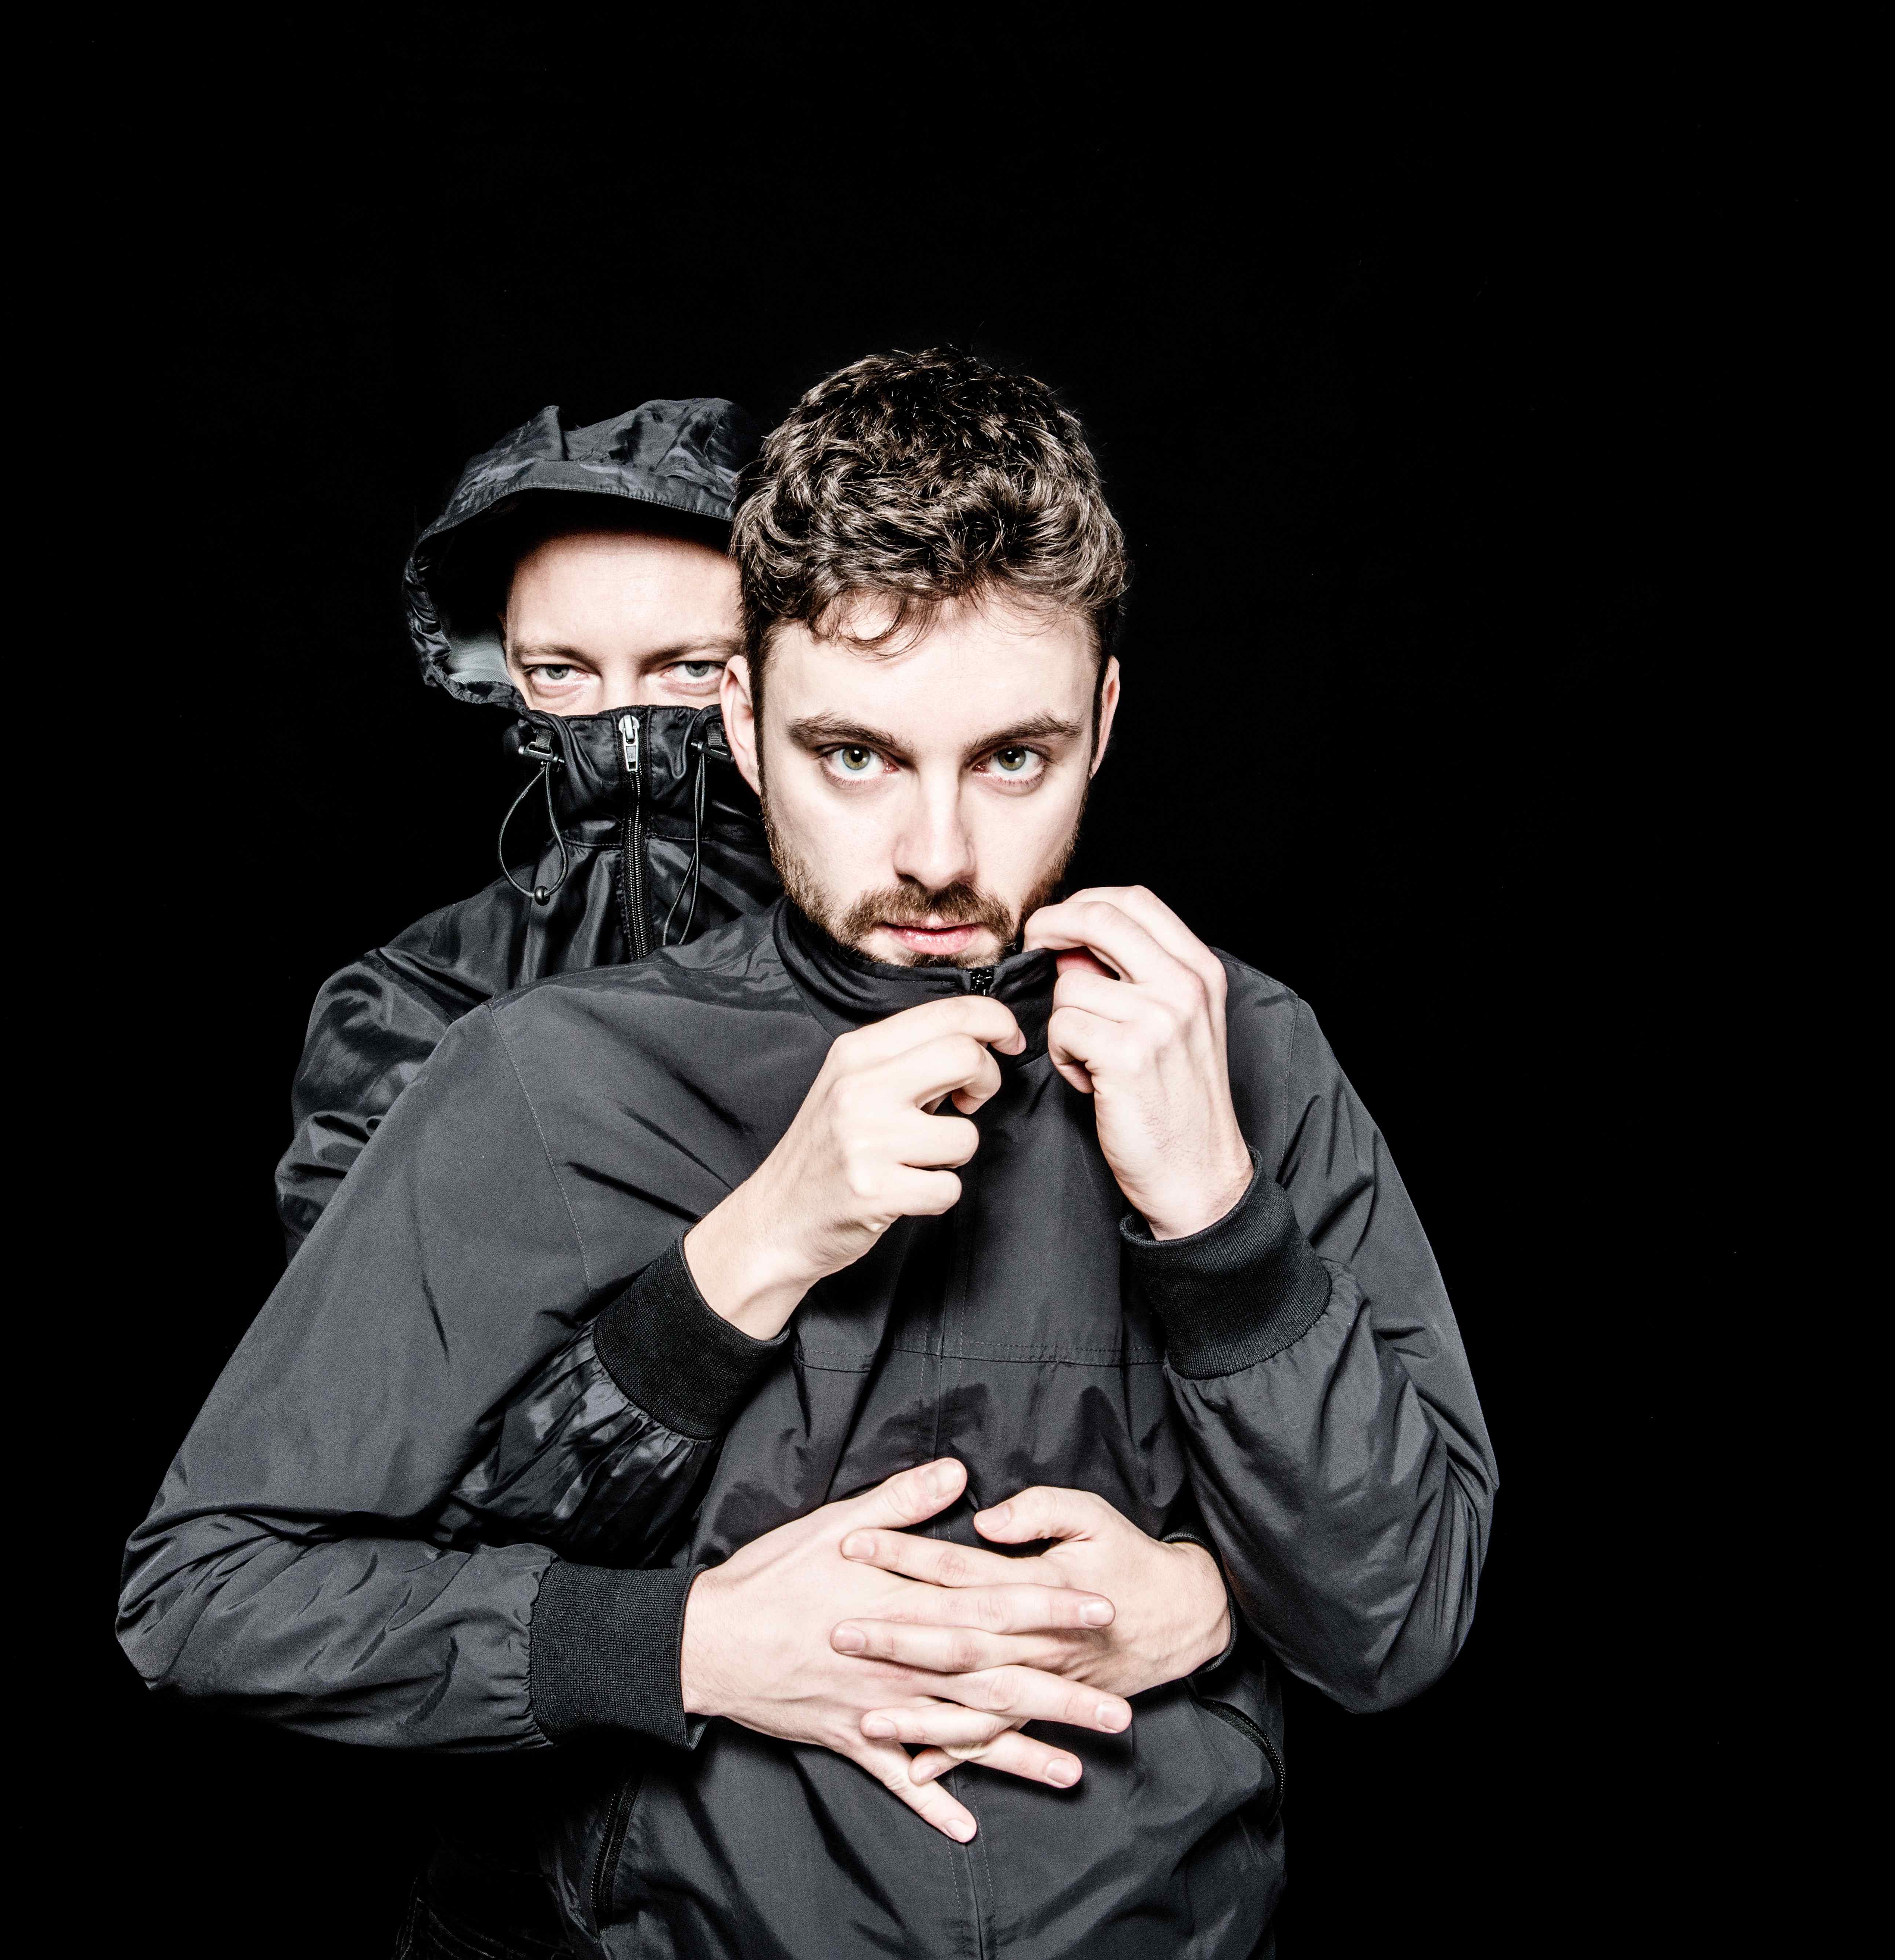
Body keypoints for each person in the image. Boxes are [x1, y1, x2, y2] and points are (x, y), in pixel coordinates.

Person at [121, 349, 1496, 1958]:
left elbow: (1399, 1622)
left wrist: (1215, 1227)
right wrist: (689, 1639)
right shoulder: (543, 1073)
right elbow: (208, 1594)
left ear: (1105, 722)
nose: (937, 855)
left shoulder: (1243, 1046)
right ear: (746, 720)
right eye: (857, 754)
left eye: (1013, 758)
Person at [276, 394, 782, 1255]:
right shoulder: (410, 1000)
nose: (620, 716)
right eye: (560, 671)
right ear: (504, 668)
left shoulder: (902, 935)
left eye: (691, 666)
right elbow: (376, 1318)